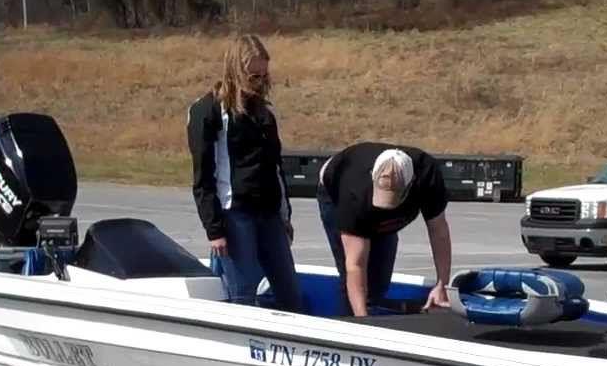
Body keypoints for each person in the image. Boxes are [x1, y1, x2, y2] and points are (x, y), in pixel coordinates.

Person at [186, 34, 302, 312]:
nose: (260, 83)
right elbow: (203, 175)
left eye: (263, 76)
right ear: (236, 71)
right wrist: (214, 230)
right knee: (243, 293)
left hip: (269, 212)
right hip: (234, 213)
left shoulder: (264, 114)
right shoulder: (209, 111)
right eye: (253, 77)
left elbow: (275, 168)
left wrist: (285, 216)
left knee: (289, 290)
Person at [317, 141, 452, 317]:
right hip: (333, 191)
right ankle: (350, 326)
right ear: (373, 176)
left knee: (379, 280)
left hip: (376, 199)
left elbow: (439, 232)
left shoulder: (427, 175)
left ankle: (371, 310)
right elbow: (355, 265)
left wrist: (442, 284)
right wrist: (362, 322)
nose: (385, 210)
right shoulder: (353, 193)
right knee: (351, 279)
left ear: (411, 184)